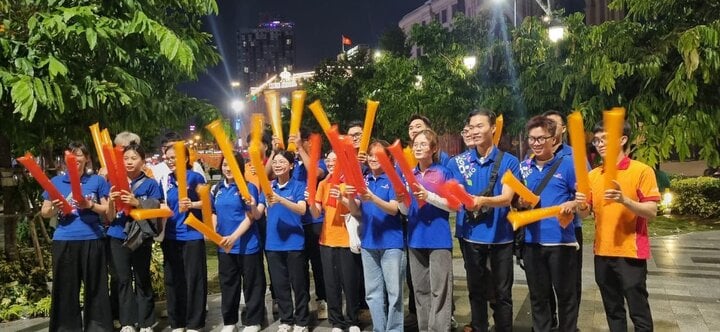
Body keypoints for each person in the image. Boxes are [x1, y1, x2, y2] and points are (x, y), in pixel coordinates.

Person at [577, 120, 660, 332]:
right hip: (602, 252)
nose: (600, 144)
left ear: (623, 139)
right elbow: (585, 214)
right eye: (596, 140)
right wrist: (580, 204)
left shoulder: (641, 171)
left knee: (638, 311)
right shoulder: (594, 175)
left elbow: (651, 212)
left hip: (631, 252)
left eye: (605, 139)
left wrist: (625, 200)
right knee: (613, 310)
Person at [446, 109, 520, 332]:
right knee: (475, 290)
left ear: (493, 128)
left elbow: (507, 198)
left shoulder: (509, 161)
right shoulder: (457, 162)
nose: (475, 131)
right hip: (470, 236)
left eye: (480, 126)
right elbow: (456, 195)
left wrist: (481, 200)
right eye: (472, 127)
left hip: (501, 237)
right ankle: (479, 327)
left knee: (502, 293)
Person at [40, 141, 112, 331]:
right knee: (65, 288)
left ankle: (97, 327)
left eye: (80, 155)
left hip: (93, 238)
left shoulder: (97, 181)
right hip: (64, 240)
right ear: (65, 159)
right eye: (72, 155)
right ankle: (65, 327)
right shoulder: (56, 182)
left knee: (96, 287)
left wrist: (90, 206)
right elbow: (45, 211)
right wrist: (55, 207)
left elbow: (106, 209)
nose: (76, 159)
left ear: (87, 158)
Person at [518, 116, 580, 332]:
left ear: (553, 139)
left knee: (566, 296)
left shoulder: (568, 164)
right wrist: (521, 202)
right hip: (532, 242)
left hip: (561, 242)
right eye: (532, 139)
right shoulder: (523, 168)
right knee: (538, 296)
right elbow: (516, 203)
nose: (535, 143)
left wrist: (572, 204)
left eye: (541, 138)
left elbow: (584, 203)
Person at [346, 141, 406, 332]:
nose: (373, 159)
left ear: (388, 158)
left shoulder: (394, 179)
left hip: (391, 244)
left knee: (394, 293)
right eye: (370, 155)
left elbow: (394, 209)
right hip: (369, 243)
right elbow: (356, 211)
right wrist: (346, 198)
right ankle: (379, 329)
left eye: (378, 155)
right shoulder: (363, 179)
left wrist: (372, 198)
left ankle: (394, 329)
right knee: (373, 294)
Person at [106, 143, 162, 332]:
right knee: (122, 280)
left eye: (134, 158)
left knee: (142, 278)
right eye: (126, 158)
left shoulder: (150, 184)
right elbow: (110, 217)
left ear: (143, 161)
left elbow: (156, 210)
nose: (129, 162)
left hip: (140, 236)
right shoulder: (113, 183)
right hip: (117, 235)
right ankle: (127, 322)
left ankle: (146, 322)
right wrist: (112, 201)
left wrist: (137, 202)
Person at [403, 129, 455, 332]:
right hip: (415, 238)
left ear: (434, 149)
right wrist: (401, 200)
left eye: (423, 144)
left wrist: (428, 196)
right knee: (420, 290)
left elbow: (453, 205)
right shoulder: (409, 174)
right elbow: (406, 210)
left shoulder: (443, 172)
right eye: (415, 144)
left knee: (439, 291)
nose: (418, 147)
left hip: (439, 239)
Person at [212, 152, 266, 332]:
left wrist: (233, 237)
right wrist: (217, 236)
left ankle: (253, 321)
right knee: (228, 284)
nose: (228, 169)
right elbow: (213, 212)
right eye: (225, 164)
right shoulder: (217, 189)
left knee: (252, 283)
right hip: (225, 247)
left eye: (232, 165)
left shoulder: (248, 187)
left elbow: (251, 216)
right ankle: (230, 321)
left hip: (247, 245)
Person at [308, 150, 361, 332]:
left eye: (335, 160)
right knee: (331, 284)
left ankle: (353, 320)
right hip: (326, 241)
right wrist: (310, 202)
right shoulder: (323, 184)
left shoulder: (350, 182)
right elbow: (316, 213)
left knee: (350, 283)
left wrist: (342, 198)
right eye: (328, 160)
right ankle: (336, 322)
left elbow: (357, 211)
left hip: (346, 240)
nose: (331, 163)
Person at [159, 143, 208, 332]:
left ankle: (195, 323)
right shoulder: (165, 180)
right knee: (173, 280)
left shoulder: (195, 177)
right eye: (168, 157)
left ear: (186, 159)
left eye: (174, 157)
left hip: (192, 235)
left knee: (194, 279)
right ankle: (177, 322)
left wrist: (193, 203)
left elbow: (207, 204)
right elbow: (162, 203)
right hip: (171, 236)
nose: (170, 161)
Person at [262, 150, 310, 332]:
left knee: (299, 284)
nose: (278, 165)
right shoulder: (268, 187)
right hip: (273, 243)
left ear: (291, 165)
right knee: (280, 285)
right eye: (275, 162)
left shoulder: (298, 185)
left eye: (282, 162)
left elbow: (302, 209)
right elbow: (261, 210)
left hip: (294, 242)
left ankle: (302, 321)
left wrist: (281, 199)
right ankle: (286, 320)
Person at [288, 129, 328, 320]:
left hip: (315, 221)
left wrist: (300, 149)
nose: (307, 143)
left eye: (306, 141)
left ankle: (323, 300)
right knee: (299, 267)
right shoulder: (293, 164)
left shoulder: (319, 161)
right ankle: (301, 305)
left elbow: (315, 172)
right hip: (296, 222)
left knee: (318, 265)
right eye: (305, 141)